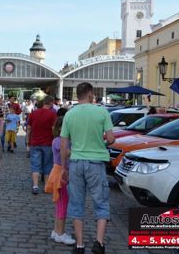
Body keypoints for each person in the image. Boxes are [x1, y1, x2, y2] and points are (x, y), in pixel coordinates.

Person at [60, 82, 115, 254]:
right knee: (101, 203)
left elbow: (63, 144)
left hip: (76, 163)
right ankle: (99, 243)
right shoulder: (101, 111)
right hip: (96, 163)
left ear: (78, 95)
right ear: (90, 94)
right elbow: (112, 139)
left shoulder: (69, 114)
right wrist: (102, 141)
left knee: (76, 204)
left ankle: (80, 245)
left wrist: (63, 168)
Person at [45, 116, 75, 245]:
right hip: (59, 174)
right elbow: (69, 153)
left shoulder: (61, 140)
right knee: (62, 204)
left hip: (60, 173)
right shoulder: (59, 141)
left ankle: (56, 231)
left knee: (61, 204)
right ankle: (60, 233)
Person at [27, 95, 57, 195]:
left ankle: (35, 186)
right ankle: (46, 187)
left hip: (35, 143)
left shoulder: (33, 113)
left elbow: (29, 128)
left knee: (35, 164)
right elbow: (53, 129)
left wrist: (28, 140)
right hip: (48, 143)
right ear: (51, 103)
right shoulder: (53, 114)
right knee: (47, 165)